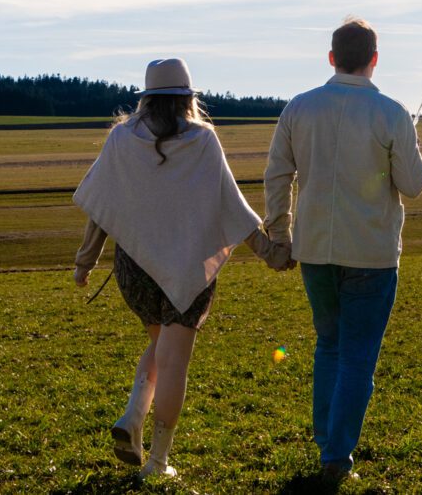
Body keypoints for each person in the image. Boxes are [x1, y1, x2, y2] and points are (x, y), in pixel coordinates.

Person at [71, 58, 293, 480]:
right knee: (174, 361)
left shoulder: (122, 139)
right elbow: (233, 207)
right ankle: (157, 462)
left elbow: (100, 207)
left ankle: (134, 416)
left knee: (161, 348)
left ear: (147, 98)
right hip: (188, 270)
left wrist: (85, 261)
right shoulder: (203, 141)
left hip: (135, 272)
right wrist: (271, 252)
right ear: (189, 99)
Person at [263, 18, 422, 483]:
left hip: (314, 251)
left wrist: (280, 232)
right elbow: (413, 187)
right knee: (356, 356)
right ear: (374, 59)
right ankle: (336, 455)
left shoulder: (299, 108)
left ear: (332, 57)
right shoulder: (391, 113)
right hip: (372, 254)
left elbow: (277, 176)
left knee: (329, 346)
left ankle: (328, 444)